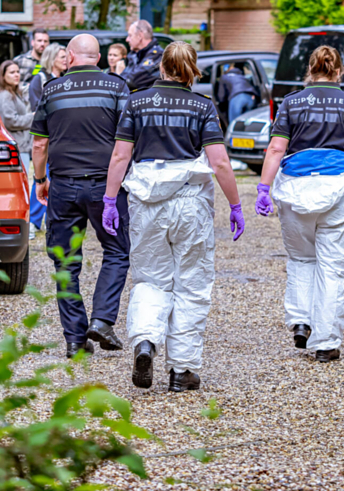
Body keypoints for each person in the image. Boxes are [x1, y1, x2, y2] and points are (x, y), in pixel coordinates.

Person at [103, 41, 245, 392]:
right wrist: (235, 204)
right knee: (191, 284)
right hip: (189, 202)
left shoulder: (136, 102)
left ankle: (147, 341)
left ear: (161, 68)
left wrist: (109, 199)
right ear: (191, 70)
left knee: (151, 279)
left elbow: (121, 157)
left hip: (147, 203)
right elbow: (220, 162)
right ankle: (182, 370)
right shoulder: (202, 106)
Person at [254, 45, 344, 363]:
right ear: (339, 71)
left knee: (301, 259)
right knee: (334, 267)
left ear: (310, 70)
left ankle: (301, 320)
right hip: (339, 189)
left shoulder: (291, 103)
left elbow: (275, 149)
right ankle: (326, 342)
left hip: (296, 188)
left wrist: (263, 187)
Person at [30, 34, 132, 359]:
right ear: (99, 58)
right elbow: (128, 140)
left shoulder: (51, 89)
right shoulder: (117, 87)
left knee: (65, 261)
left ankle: (75, 340)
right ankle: (102, 321)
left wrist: (39, 179)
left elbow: (38, 144)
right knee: (116, 251)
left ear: (70, 56)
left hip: (62, 185)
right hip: (106, 187)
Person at [27, 43, 67, 235]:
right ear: (52, 59)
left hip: (63, 139)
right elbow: (37, 110)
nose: (66, 60)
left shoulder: (67, 80)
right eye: (62, 57)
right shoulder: (40, 79)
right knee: (41, 175)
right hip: (47, 137)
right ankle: (33, 222)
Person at [0, 60, 36, 234]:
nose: (16, 75)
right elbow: (10, 120)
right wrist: (32, 117)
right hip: (16, 147)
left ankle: (27, 224)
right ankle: (26, 225)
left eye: (18, 71)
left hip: (23, 146)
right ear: (3, 76)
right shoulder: (4, 96)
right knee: (22, 187)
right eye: (11, 72)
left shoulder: (14, 93)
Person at [120, 19, 164, 91]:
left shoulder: (157, 55)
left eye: (130, 35)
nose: (127, 39)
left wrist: (119, 75)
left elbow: (133, 81)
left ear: (140, 36)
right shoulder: (134, 54)